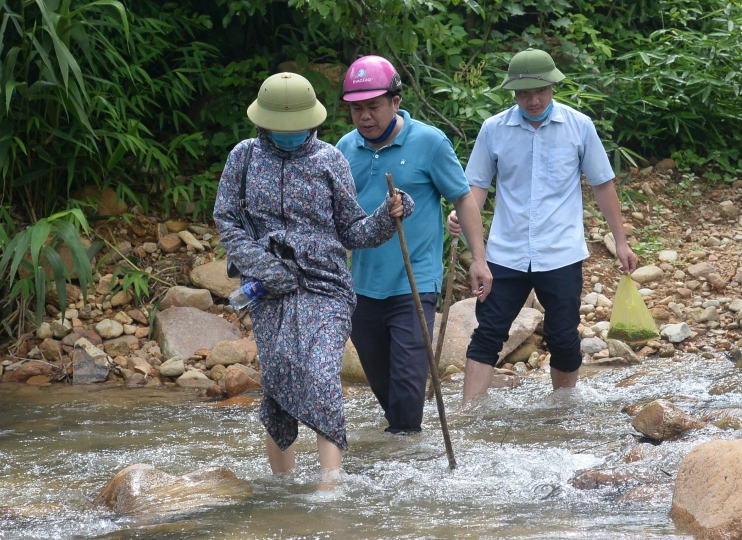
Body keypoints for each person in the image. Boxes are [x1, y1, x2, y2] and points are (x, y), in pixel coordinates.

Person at [214, 71, 412, 488]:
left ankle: (330, 481)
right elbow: (228, 222)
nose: (288, 135)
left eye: (297, 128)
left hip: (326, 287)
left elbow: (352, 231)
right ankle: (281, 486)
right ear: (262, 122)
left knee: (321, 373)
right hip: (269, 291)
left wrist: (387, 217)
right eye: (279, 128)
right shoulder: (243, 157)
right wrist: (265, 267)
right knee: (279, 380)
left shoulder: (328, 160)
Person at [447, 48, 638, 405]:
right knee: (488, 333)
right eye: (523, 93)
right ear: (513, 93)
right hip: (506, 253)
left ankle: (563, 412)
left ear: (553, 87)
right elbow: (477, 186)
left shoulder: (578, 126)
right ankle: (467, 415)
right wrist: (462, 214)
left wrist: (622, 242)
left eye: (540, 91)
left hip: (560, 252)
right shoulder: (494, 129)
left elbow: (602, 184)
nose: (533, 100)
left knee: (563, 336)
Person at [335, 56, 490, 434]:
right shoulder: (343, 148)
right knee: (381, 379)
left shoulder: (429, 142)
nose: (365, 116)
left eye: (373, 106)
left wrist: (479, 260)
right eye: (357, 108)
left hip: (414, 279)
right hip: (362, 284)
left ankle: (404, 450)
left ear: (396, 102)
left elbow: (463, 197)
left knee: (407, 379)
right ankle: (403, 444)